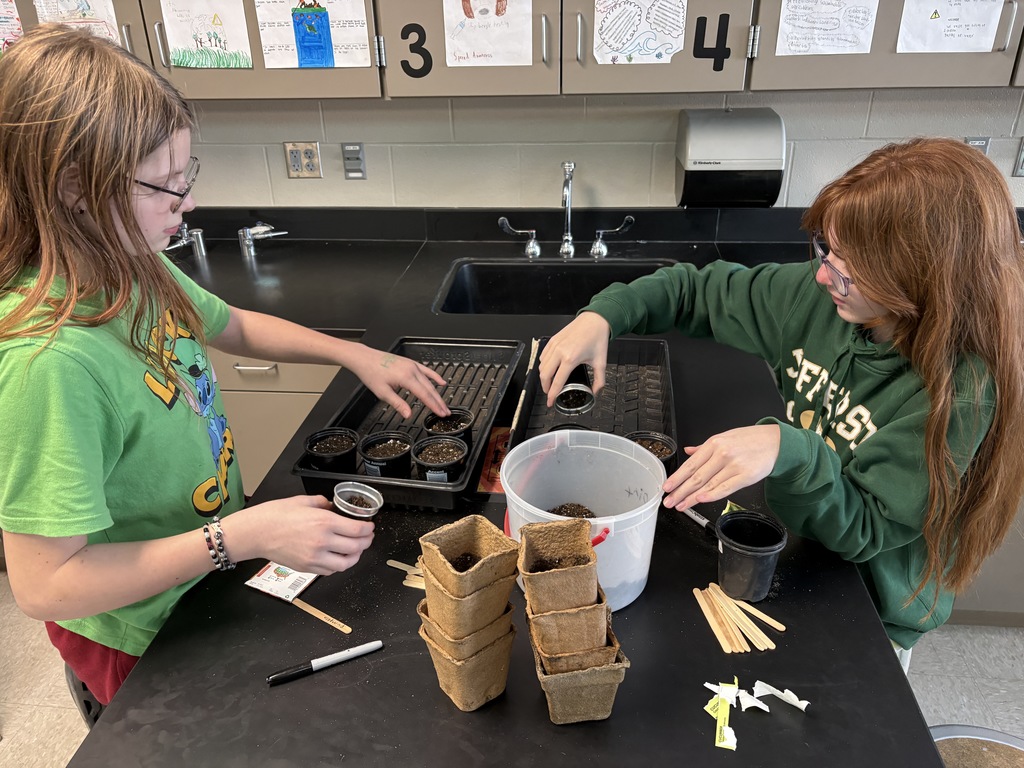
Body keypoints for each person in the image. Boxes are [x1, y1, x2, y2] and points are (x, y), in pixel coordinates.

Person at [0, 24, 451, 713]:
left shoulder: (133, 268)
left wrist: (351, 352)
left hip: (198, 580)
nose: (189, 205)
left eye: (189, 178)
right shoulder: (49, 362)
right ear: (73, 188)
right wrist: (237, 535)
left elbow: (232, 324)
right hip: (135, 635)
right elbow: (46, 583)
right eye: (166, 187)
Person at [540, 137, 1024, 660]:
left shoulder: (962, 393)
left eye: (849, 268)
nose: (823, 274)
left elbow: (864, 529)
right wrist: (605, 315)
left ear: (924, 276)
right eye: (826, 250)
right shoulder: (817, 298)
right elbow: (694, 291)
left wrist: (787, 449)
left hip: (865, 611)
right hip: (796, 553)